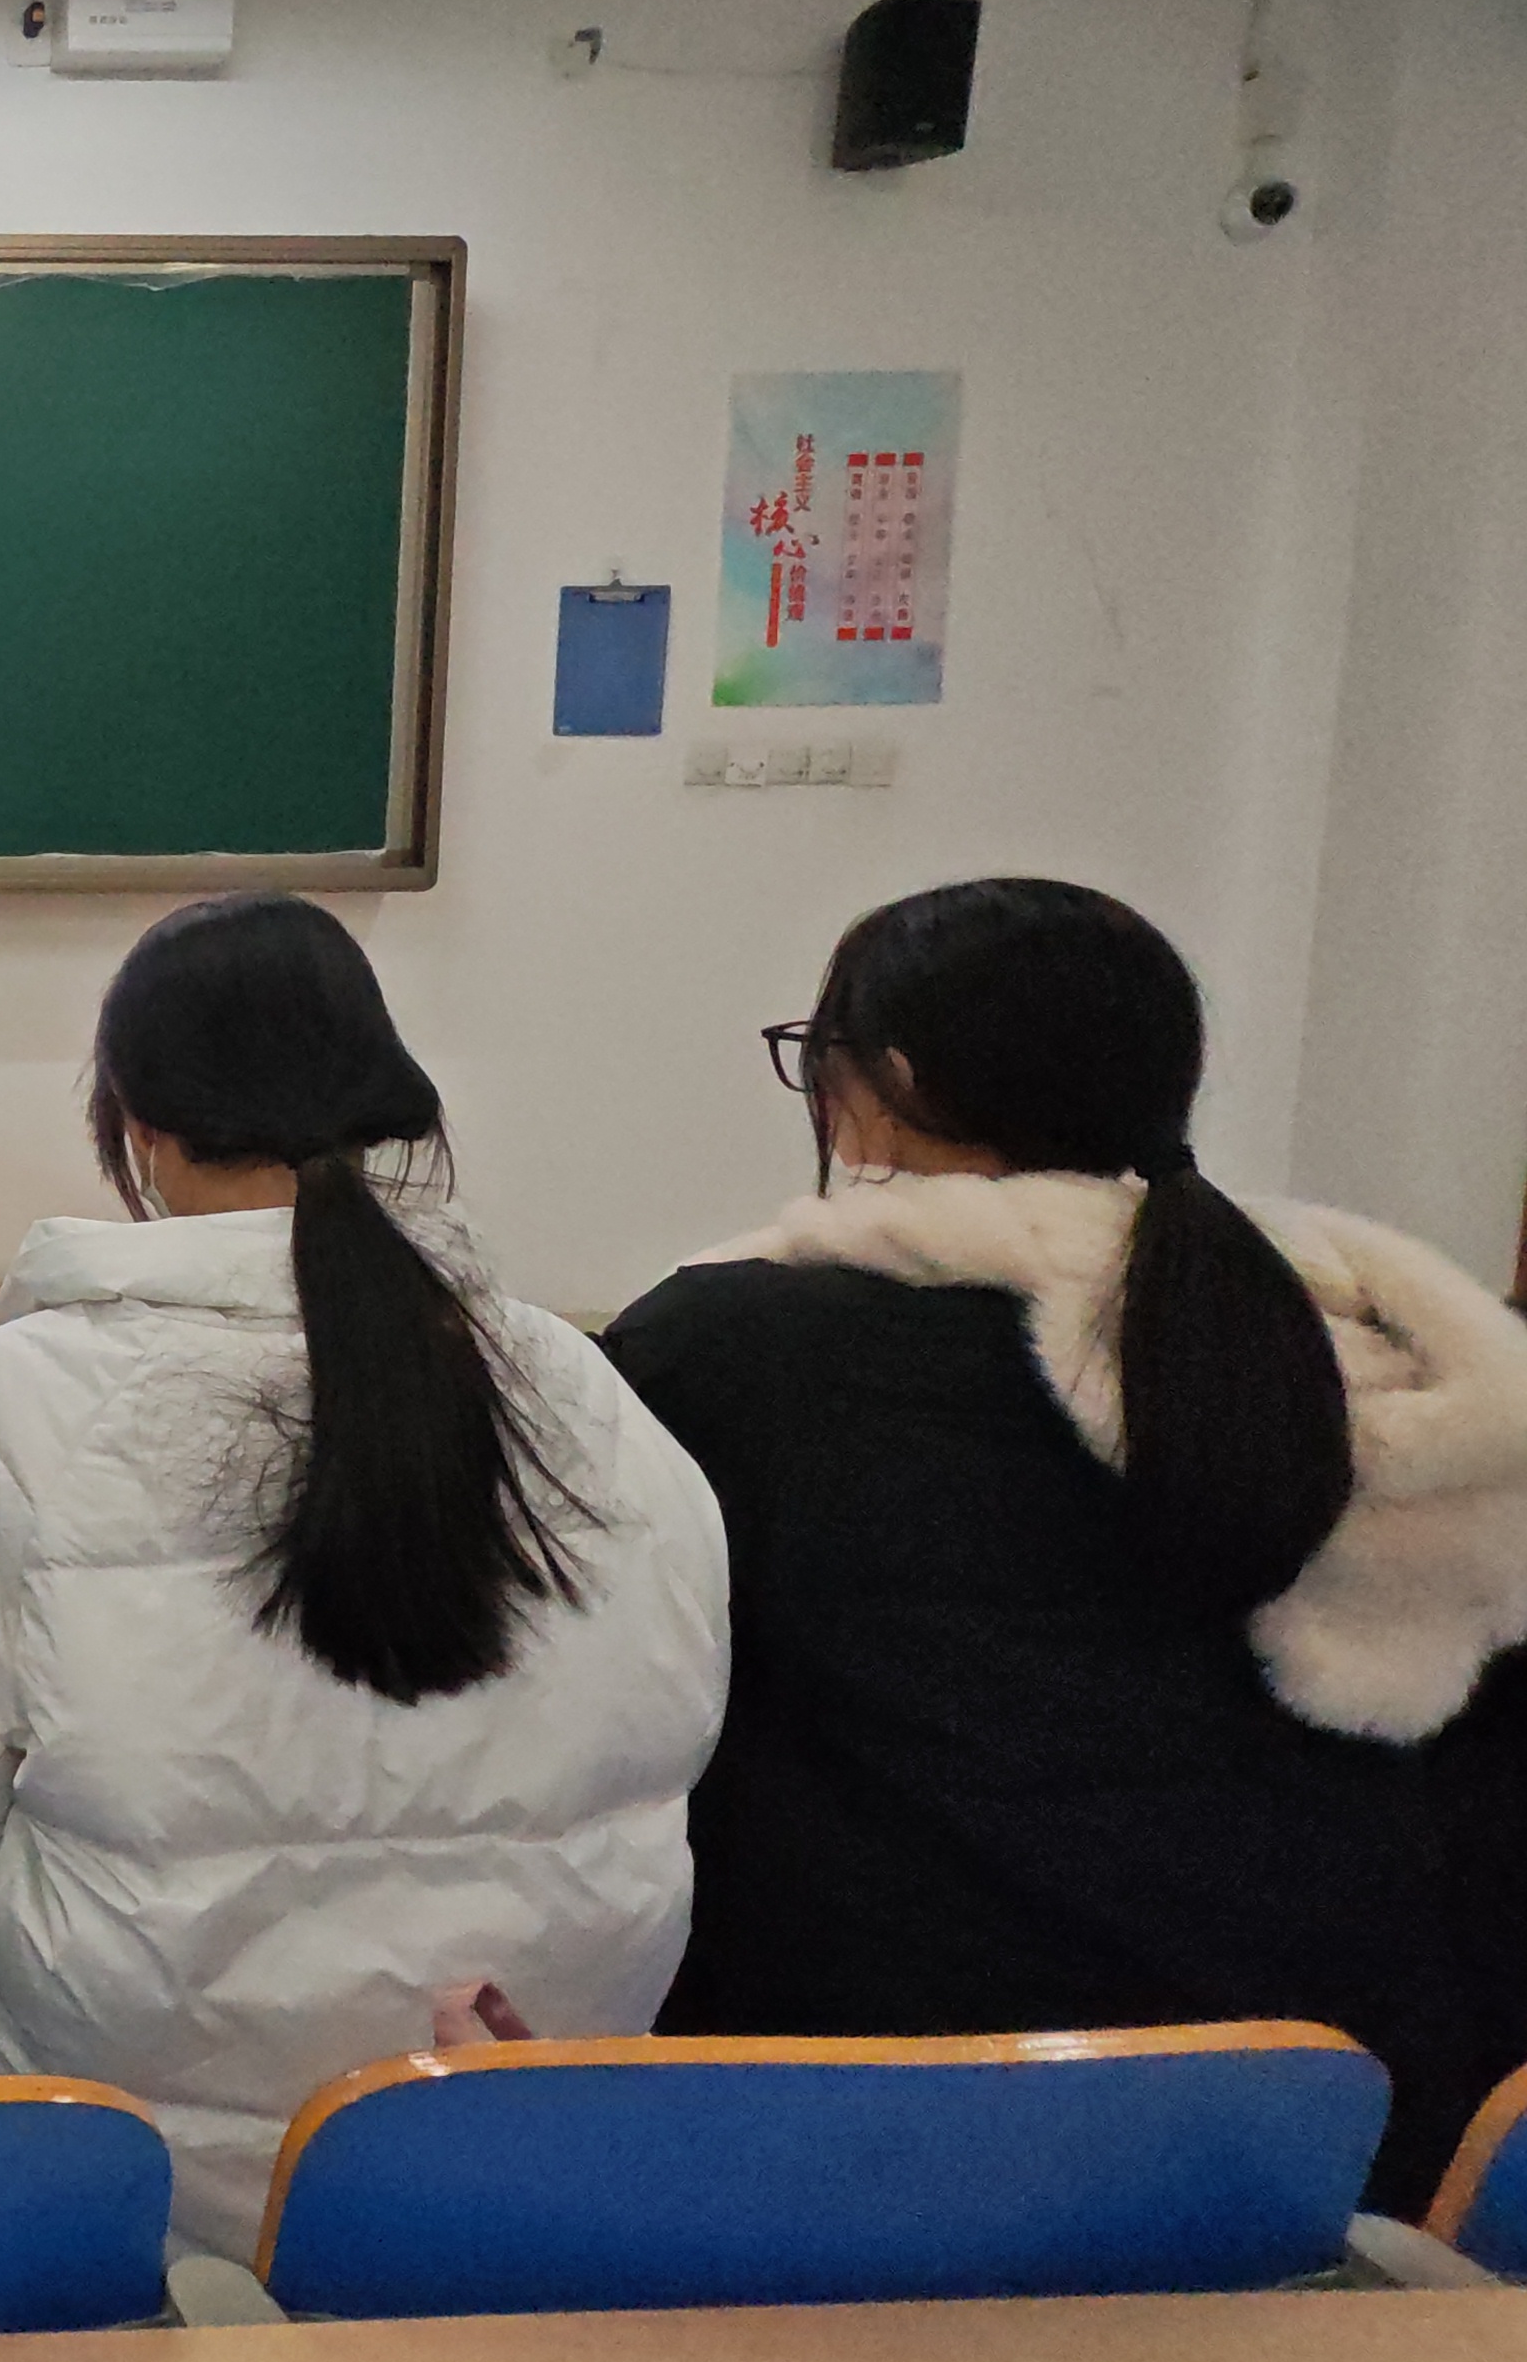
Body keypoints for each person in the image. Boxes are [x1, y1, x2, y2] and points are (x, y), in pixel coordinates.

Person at [605, 877, 1527, 2212]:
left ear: (890, 1081)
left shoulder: (731, 1348)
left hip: (875, 2111)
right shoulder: (1384, 1348)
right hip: (1331, 2123)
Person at [0, 894, 730, 2265]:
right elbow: (682, 1724)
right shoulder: (574, 1378)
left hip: (131, 2166)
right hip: (501, 2102)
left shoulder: (30, 1399)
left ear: (137, 1124)